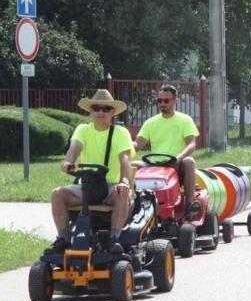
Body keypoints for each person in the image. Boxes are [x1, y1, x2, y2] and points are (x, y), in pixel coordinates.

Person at [46, 89, 133, 254]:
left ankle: (114, 239)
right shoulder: (83, 130)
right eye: (96, 108)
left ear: (113, 112)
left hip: (111, 187)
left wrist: (124, 180)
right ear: (91, 111)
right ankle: (63, 239)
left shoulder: (121, 133)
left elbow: (125, 159)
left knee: (122, 192)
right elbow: (74, 148)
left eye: (106, 109)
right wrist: (69, 162)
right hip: (86, 187)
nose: (101, 112)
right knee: (57, 194)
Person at [134, 84, 201, 220]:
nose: (162, 104)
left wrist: (179, 157)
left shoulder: (185, 120)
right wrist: (122, 149)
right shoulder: (150, 123)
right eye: (159, 101)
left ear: (174, 100)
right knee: (133, 165)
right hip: (154, 166)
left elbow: (192, 144)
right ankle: (132, 204)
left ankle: (189, 205)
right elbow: (137, 145)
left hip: (177, 165)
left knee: (189, 161)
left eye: (166, 101)